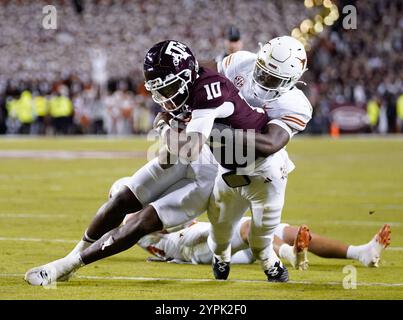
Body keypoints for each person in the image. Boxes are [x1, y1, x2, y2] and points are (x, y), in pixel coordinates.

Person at [24, 39, 276, 286]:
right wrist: (169, 132)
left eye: (168, 88)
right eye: (159, 90)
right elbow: (171, 156)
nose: (164, 96)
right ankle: (70, 257)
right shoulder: (189, 80)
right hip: (198, 153)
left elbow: (189, 149)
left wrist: (166, 128)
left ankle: (66, 267)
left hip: (215, 171)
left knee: (142, 222)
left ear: (187, 76)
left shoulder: (209, 90)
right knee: (123, 198)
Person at [204, 36, 313, 282]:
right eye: (262, 72)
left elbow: (270, 144)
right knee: (219, 229)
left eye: (272, 78)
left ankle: (269, 262)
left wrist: (219, 131)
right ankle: (221, 256)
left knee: (262, 234)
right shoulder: (242, 62)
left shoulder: (295, 104)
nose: (263, 80)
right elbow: (206, 75)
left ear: (292, 80)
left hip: (265, 172)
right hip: (228, 165)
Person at [112, 176, 390, 269]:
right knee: (249, 227)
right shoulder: (129, 220)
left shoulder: (135, 213)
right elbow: (172, 221)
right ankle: (289, 255)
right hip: (190, 247)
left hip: (202, 244)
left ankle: (360, 253)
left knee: (283, 228)